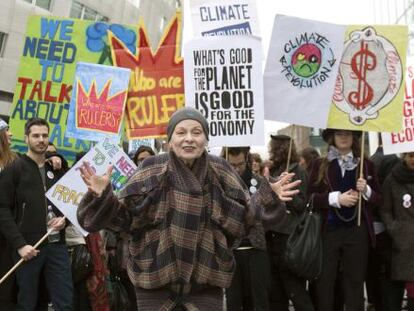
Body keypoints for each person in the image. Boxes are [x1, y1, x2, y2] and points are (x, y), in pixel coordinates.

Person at [77, 107, 301, 310]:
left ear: (206, 138)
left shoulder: (221, 170)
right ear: (170, 139)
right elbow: (124, 221)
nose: (189, 139)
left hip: (206, 283)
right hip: (153, 281)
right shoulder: (150, 168)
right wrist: (101, 197)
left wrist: (267, 196)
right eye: (181, 132)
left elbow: (244, 221)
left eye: (196, 132)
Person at [0, 117, 73, 311]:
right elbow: (2, 208)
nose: (41, 139)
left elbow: (72, 204)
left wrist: (66, 221)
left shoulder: (55, 169)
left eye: (45, 135)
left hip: (57, 245)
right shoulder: (13, 168)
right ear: (26, 139)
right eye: (36, 135)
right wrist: (20, 244)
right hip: (28, 247)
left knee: (64, 301)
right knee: (27, 303)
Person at [308, 129, 381, 311]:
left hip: (357, 231)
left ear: (354, 138)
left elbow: (379, 200)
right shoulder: (320, 164)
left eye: (348, 134)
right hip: (328, 231)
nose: (343, 137)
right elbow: (309, 198)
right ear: (332, 138)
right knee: (325, 281)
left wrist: (366, 191)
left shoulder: (366, 165)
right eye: (339, 134)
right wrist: (335, 199)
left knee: (355, 282)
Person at [265, 134, 313, 311]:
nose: (271, 149)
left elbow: (301, 204)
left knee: (294, 289)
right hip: (272, 236)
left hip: (288, 238)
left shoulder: (297, 171)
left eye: (273, 146)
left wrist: (286, 190)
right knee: (276, 293)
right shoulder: (274, 169)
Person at [222, 147, 271, 311]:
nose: (236, 169)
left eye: (240, 164)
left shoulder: (259, 181)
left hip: (256, 247)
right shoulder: (220, 183)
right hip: (232, 250)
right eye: (232, 165)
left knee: (259, 301)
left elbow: (271, 210)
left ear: (247, 160)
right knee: (233, 302)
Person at [380, 152, 414, 311]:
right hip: (403, 241)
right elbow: (385, 209)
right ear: (404, 157)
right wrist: (395, 229)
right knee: (402, 283)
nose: (413, 159)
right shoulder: (392, 179)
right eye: (411, 156)